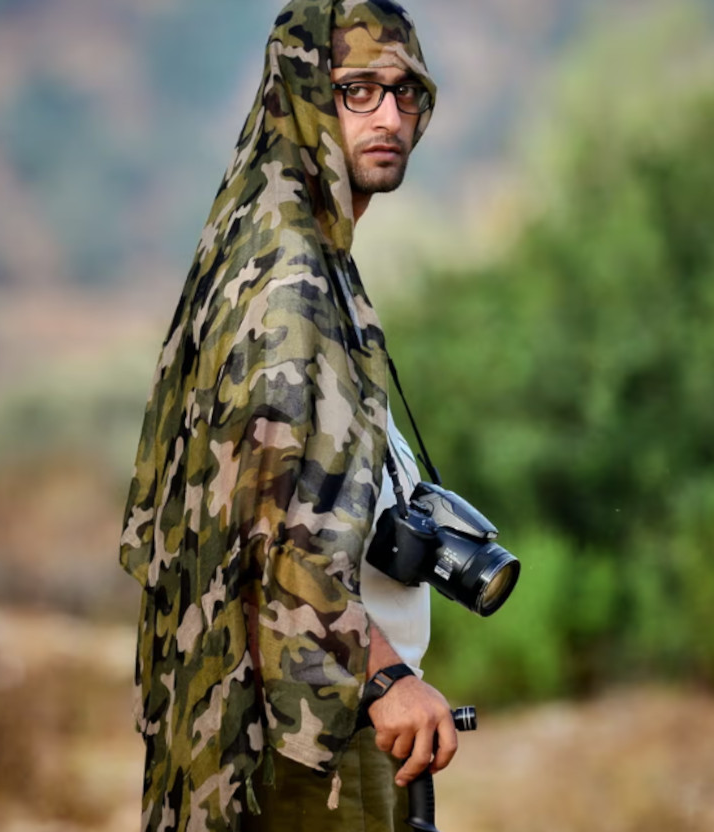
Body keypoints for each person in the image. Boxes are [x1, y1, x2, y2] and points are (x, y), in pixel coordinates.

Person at [119, 2, 454, 830]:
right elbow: (271, 541)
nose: (389, 116)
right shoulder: (288, 282)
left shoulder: (294, 247)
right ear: (302, 98)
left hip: (316, 714)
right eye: (357, 91)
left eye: (405, 92)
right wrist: (384, 678)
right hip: (308, 735)